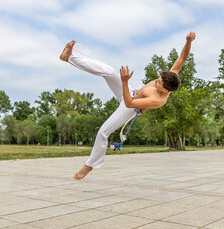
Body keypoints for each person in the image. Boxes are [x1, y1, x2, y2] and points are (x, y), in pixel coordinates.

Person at [60, 32, 196, 180]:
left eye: (158, 82)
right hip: (131, 92)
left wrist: (124, 82)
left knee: (103, 133)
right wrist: (188, 41)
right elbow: (182, 58)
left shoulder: (158, 100)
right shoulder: (169, 78)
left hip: (130, 107)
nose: (156, 80)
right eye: (158, 78)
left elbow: (129, 103)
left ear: (165, 90)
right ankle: (70, 57)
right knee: (109, 72)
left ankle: (89, 166)